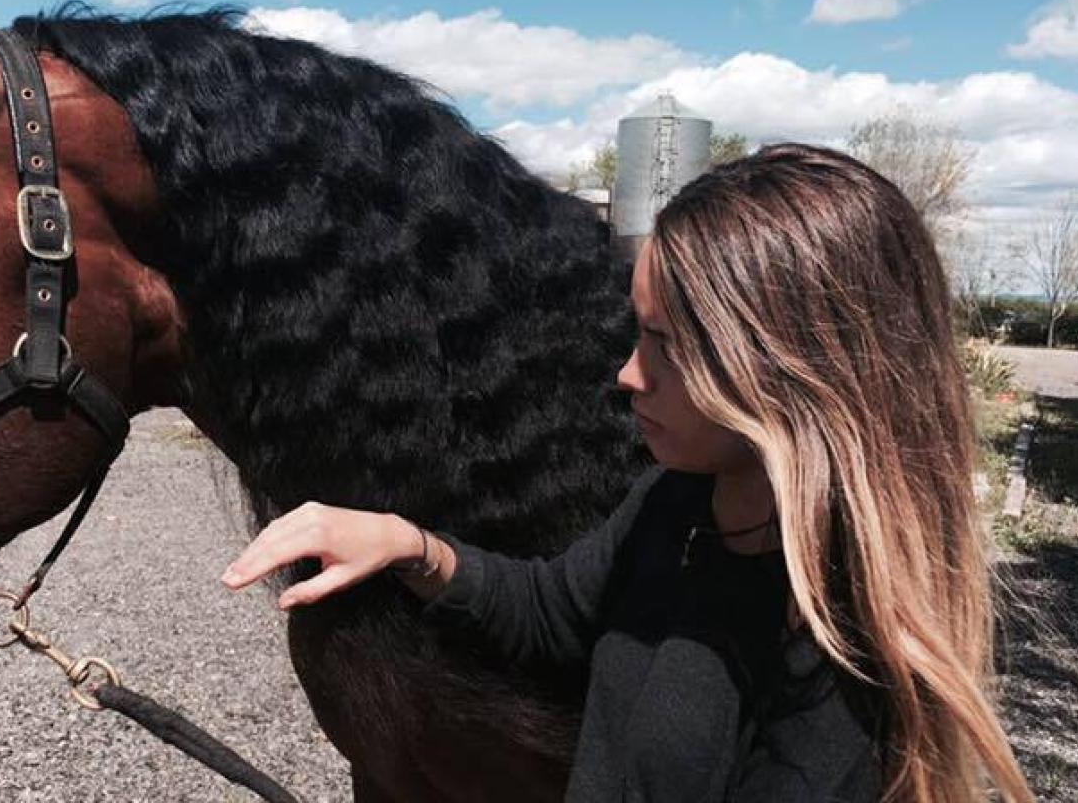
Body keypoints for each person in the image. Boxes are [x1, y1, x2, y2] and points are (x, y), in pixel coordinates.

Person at [222, 144, 1033, 802]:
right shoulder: (679, 504)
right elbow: (551, 610)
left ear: (791, 369)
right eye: (636, 334)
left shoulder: (842, 653)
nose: (628, 375)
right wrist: (406, 544)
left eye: (666, 346)